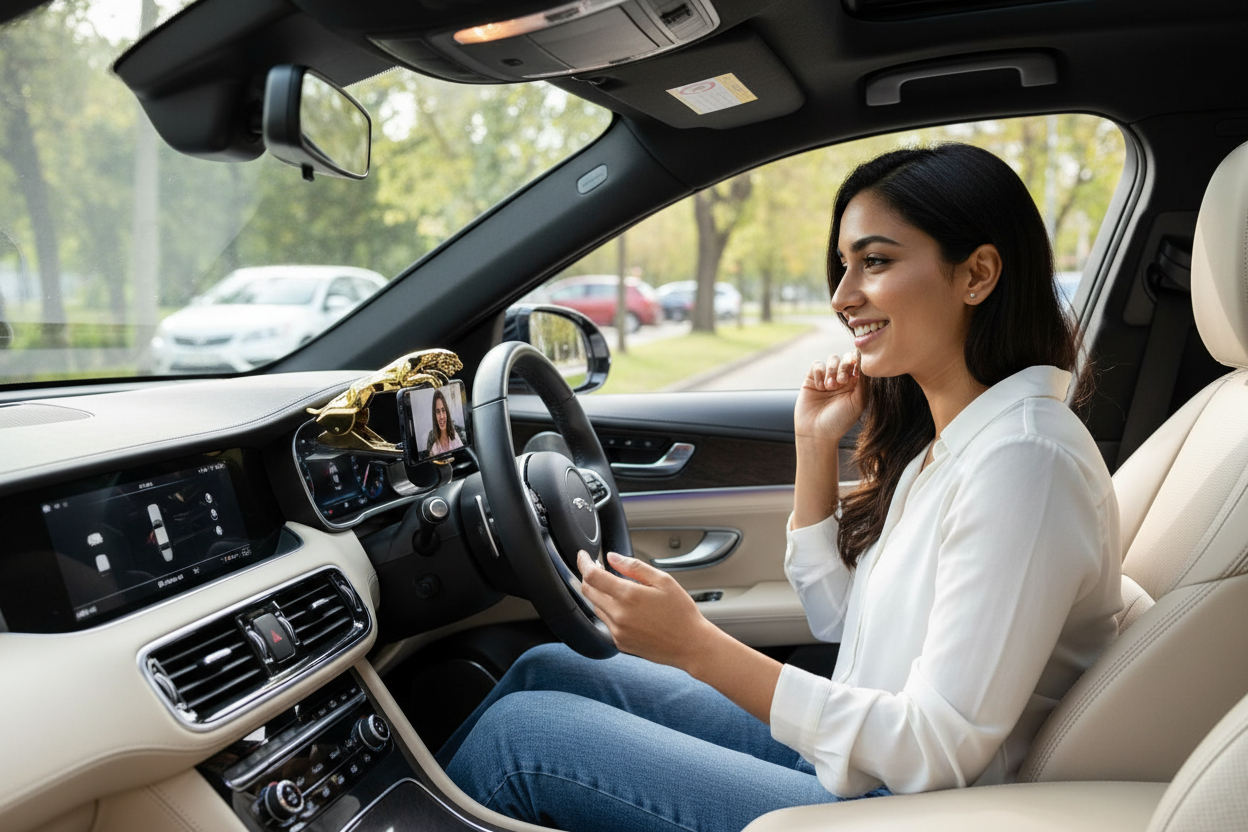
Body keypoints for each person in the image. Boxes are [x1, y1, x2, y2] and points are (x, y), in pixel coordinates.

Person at [436, 144, 1122, 832]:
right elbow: (843, 624)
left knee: (519, 742)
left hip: (910, 809)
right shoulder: (958, 441)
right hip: (868, 766)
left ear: (976, 274)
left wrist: (695, 644)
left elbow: (934, 748)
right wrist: (815, 445)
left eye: (875, 261)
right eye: (843, 265)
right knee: (548, 668)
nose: (842, 295)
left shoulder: (1024, 461)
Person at [425, 388, 464, 457]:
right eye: (438, 412)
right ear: (434, 416)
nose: (442, 416)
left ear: (447, 412)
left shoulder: (456, 436)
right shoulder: (434, 448)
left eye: (443, 410)